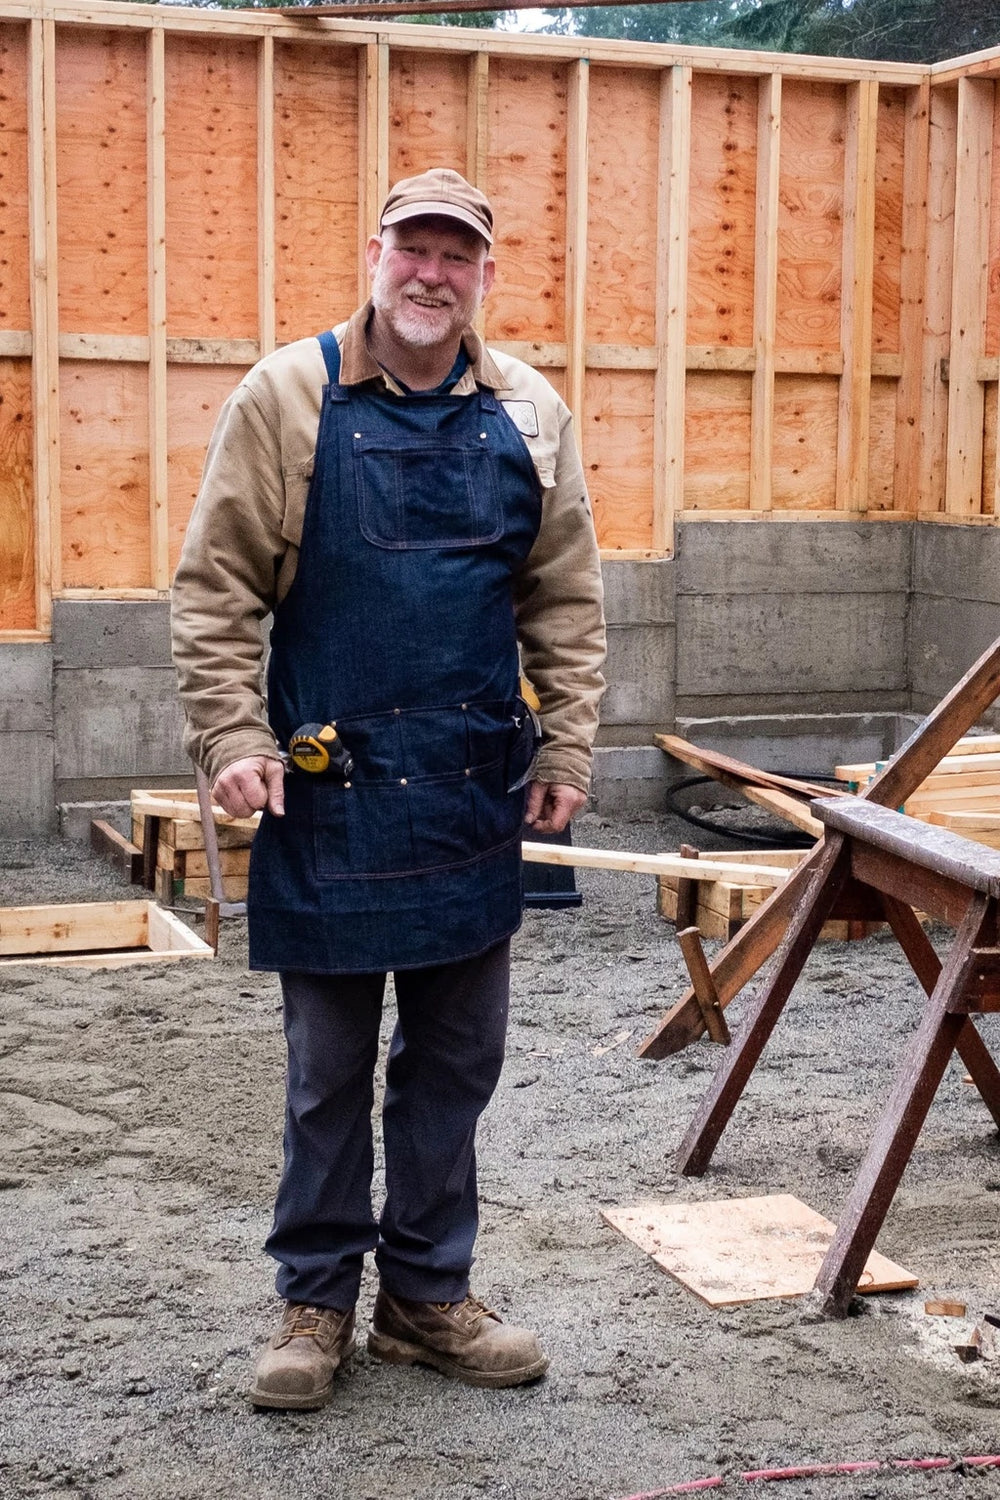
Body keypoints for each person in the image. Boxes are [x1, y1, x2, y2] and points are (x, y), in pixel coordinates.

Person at [170, 167, 606, 1411]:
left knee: (454, 1062)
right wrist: (231, 734)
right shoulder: (290, 395)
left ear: (483, 274)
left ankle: (425, 1300)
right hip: (335, 792)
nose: (431, 275)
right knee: (326, 1072)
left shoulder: (528, 410)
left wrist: (567, 750)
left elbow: (564, 599)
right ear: (375, 256)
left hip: (474, 794)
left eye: (456, 257)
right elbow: (217, 589)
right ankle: (314, 1302)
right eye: (412, 250)